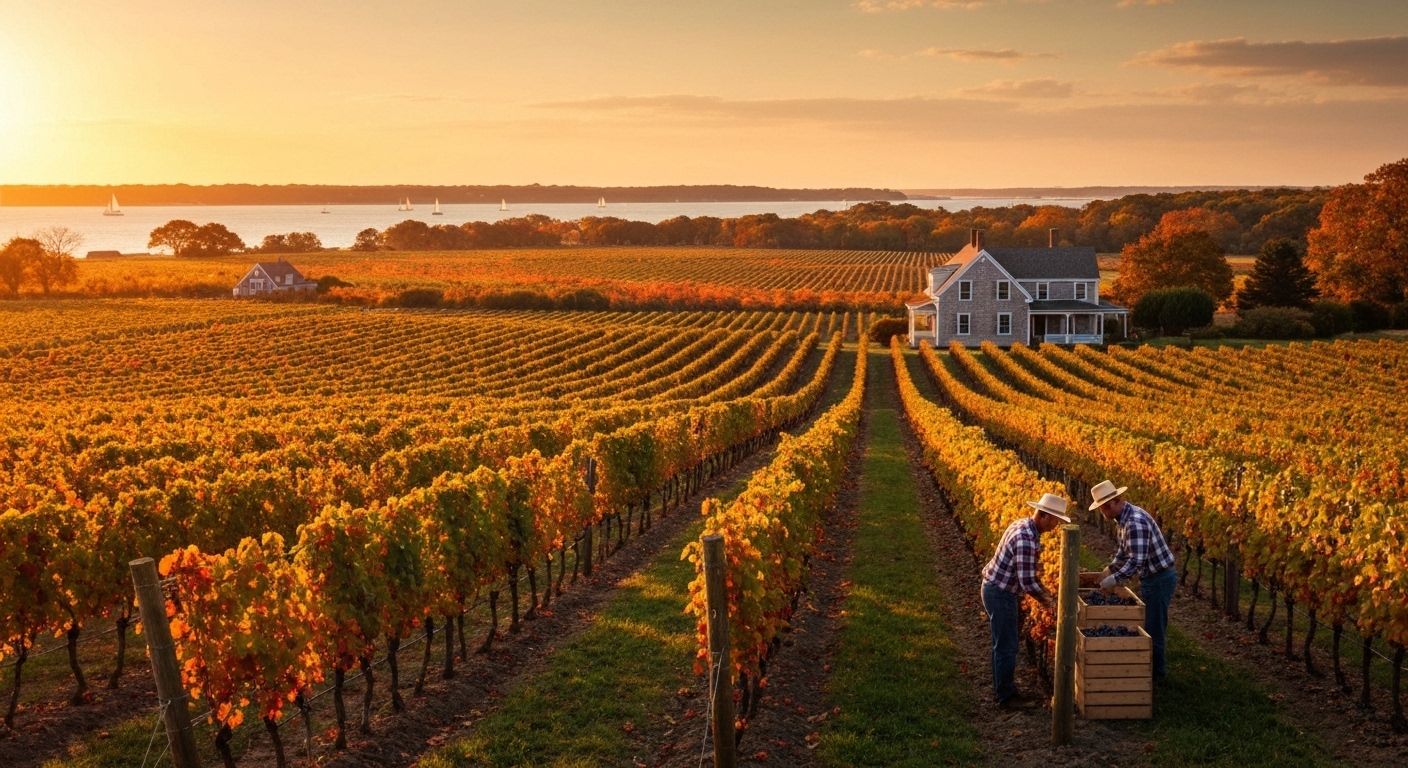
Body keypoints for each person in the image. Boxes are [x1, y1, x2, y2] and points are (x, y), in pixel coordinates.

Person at [980, 492, 1070, 709]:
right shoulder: (1026, 539)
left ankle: (1002, 691)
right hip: (1000, 594)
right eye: (1056, 520)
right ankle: (1006, 697)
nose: (1056, 525)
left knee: (1002, 644)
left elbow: (1029, 572)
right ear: (1045, 516)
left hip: (995, 589)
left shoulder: (1023, 525)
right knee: (1007, 647)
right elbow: (1028, 582)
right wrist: (1051, 601)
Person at [1088, 479, 1177, 682]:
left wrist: (1114, 579)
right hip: (1152, 577)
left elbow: (1136, 562)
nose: (1103, 513)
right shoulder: (1123, 519)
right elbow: (1124, 552)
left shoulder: (1135, 522)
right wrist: (1109, 569)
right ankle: (1149, 670)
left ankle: (1156, 676)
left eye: (1103, 508)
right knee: (1150, 623)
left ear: (1113, 503)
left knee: (1153, 628)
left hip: (1159, 579)